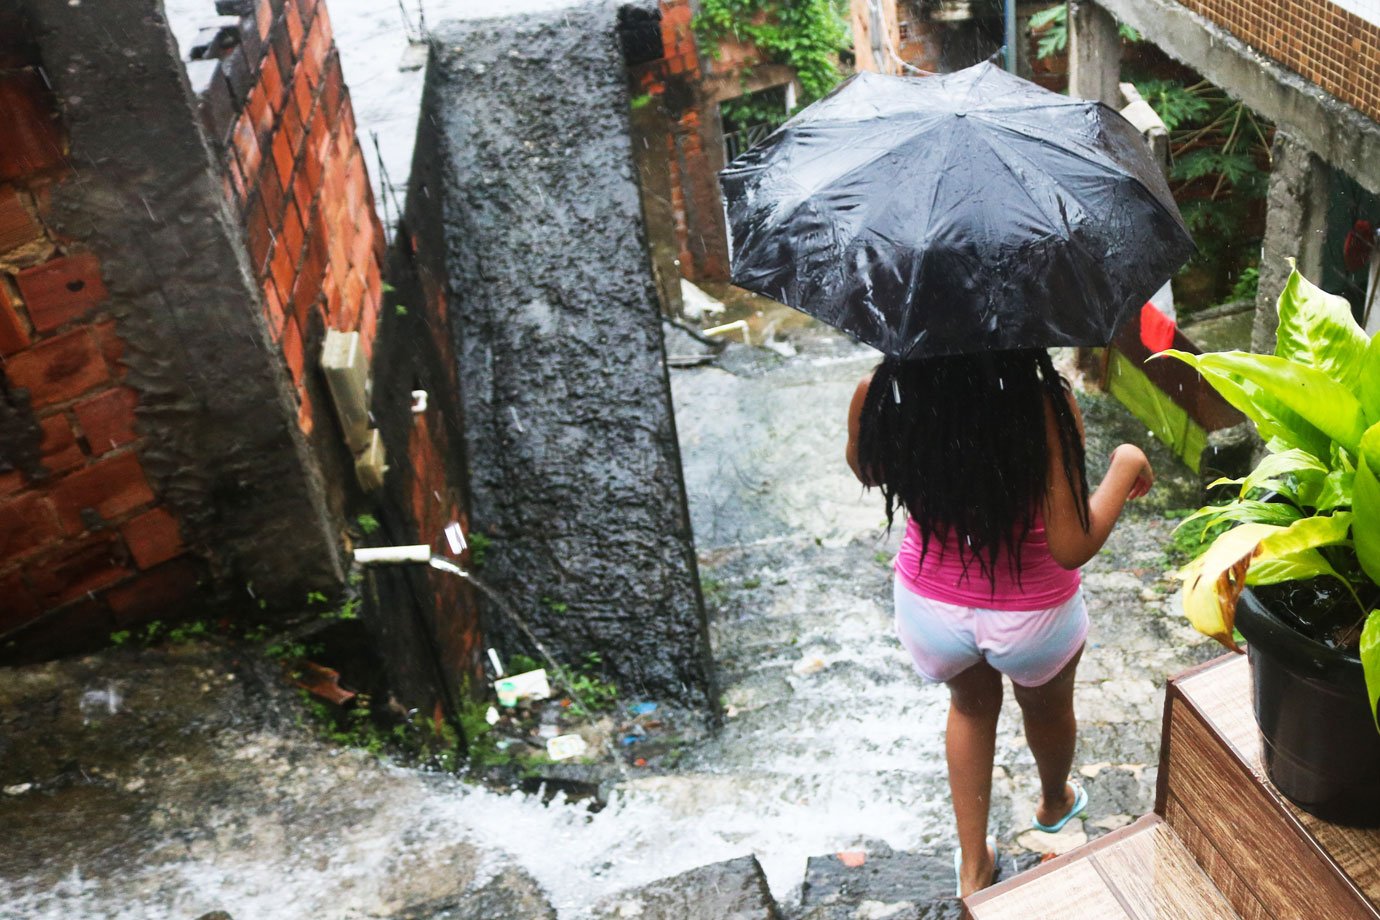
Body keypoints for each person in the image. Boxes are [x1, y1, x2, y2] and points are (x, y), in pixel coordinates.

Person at [844, 349, 1153, 898]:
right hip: (1032, 616)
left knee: (969, 707)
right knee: (1049, 708)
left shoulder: (881, 392)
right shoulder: (1042, 403)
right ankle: (1055, 801)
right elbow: (1070, 544)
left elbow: (868, 469)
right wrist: (1126, 460)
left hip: (932, 609)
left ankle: (972, 867)